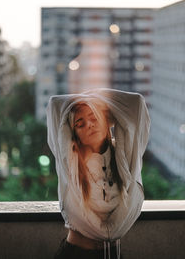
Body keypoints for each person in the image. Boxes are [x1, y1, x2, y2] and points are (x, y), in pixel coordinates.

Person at [46, 88, 151, 259]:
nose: (89, 124)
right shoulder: (70, 161)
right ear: (74, 133)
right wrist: (88, 99)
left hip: (113, 254)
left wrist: (95, 97)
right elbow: (54, 104)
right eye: (79, 124)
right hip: (76, 254)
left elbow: (137, 103)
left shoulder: (123, 158)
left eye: (94, 117)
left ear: (107, 121)